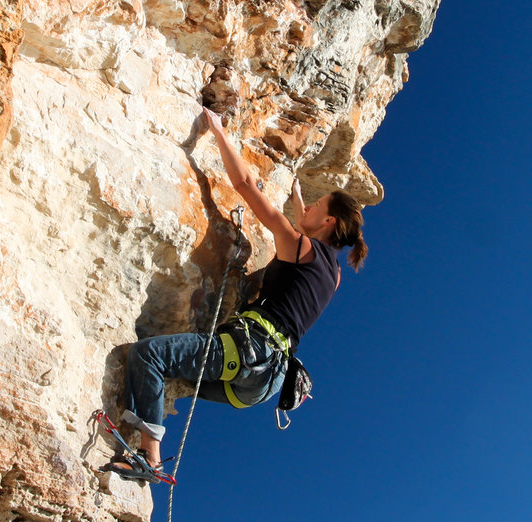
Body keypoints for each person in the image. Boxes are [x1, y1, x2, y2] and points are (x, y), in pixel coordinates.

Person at [112, 107, 367, 477]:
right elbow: (303, 231)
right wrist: (298, 199)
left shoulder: (298, 245)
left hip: (249, 351)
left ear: (328, 221)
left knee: (149, 357)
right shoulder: (334, 275)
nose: (307, 207)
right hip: (264, 382)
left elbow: (246, 184)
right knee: (177, 376)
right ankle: (143, 437)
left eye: (317, 205)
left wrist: (217, 131)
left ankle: (148, 457)